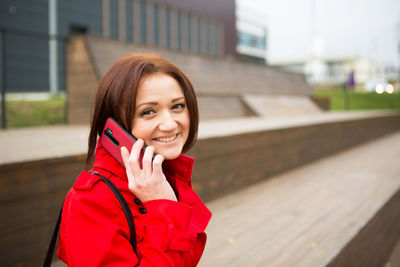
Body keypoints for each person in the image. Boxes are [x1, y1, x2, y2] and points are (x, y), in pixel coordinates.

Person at [57, 54, 212, 266]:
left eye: (177, 106)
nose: (169, 124)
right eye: (148, 112)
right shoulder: (90, 203)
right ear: (115, 124)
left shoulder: (161, 178)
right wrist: (163, 207)